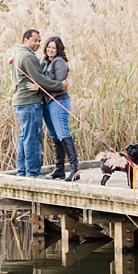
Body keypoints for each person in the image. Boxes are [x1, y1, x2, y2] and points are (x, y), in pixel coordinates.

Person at [12, 29, 67, 177]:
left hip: (21, 101)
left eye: (39, 41)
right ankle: (33, 172)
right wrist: (60, 85)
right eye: (35, 40)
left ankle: (22, 171)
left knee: (24, 137)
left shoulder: (18, 54)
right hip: (30, 102)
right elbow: (40, 79)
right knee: (33, 138)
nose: (37, 43)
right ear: (26, 40)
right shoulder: (28, 56)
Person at [38, 36, 80, 181]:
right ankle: (59, 169)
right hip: (47, 102)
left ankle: (75, 170)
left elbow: (59, 84)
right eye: (49, 47)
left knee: (63, 133)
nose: (50, 50)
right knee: (54, 136)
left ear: (58, 50)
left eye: (54, 48)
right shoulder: (43, 61)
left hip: (59, 101)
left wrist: (40, 85)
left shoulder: (59, 62)